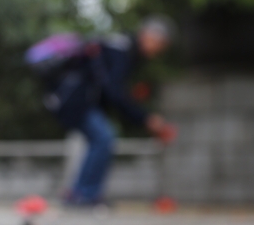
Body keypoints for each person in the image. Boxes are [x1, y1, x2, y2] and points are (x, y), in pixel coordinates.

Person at [41, 17, 177, 206]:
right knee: (104, 137)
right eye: (159, 43)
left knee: (100, 138)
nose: (158, 50)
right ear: (148, 35)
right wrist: (144, 118)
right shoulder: (121, 50)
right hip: (76, 101)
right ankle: (84, 194)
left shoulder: (122, 49)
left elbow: (109, 89)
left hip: (76, 101)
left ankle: (79, 193)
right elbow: (114, 92)